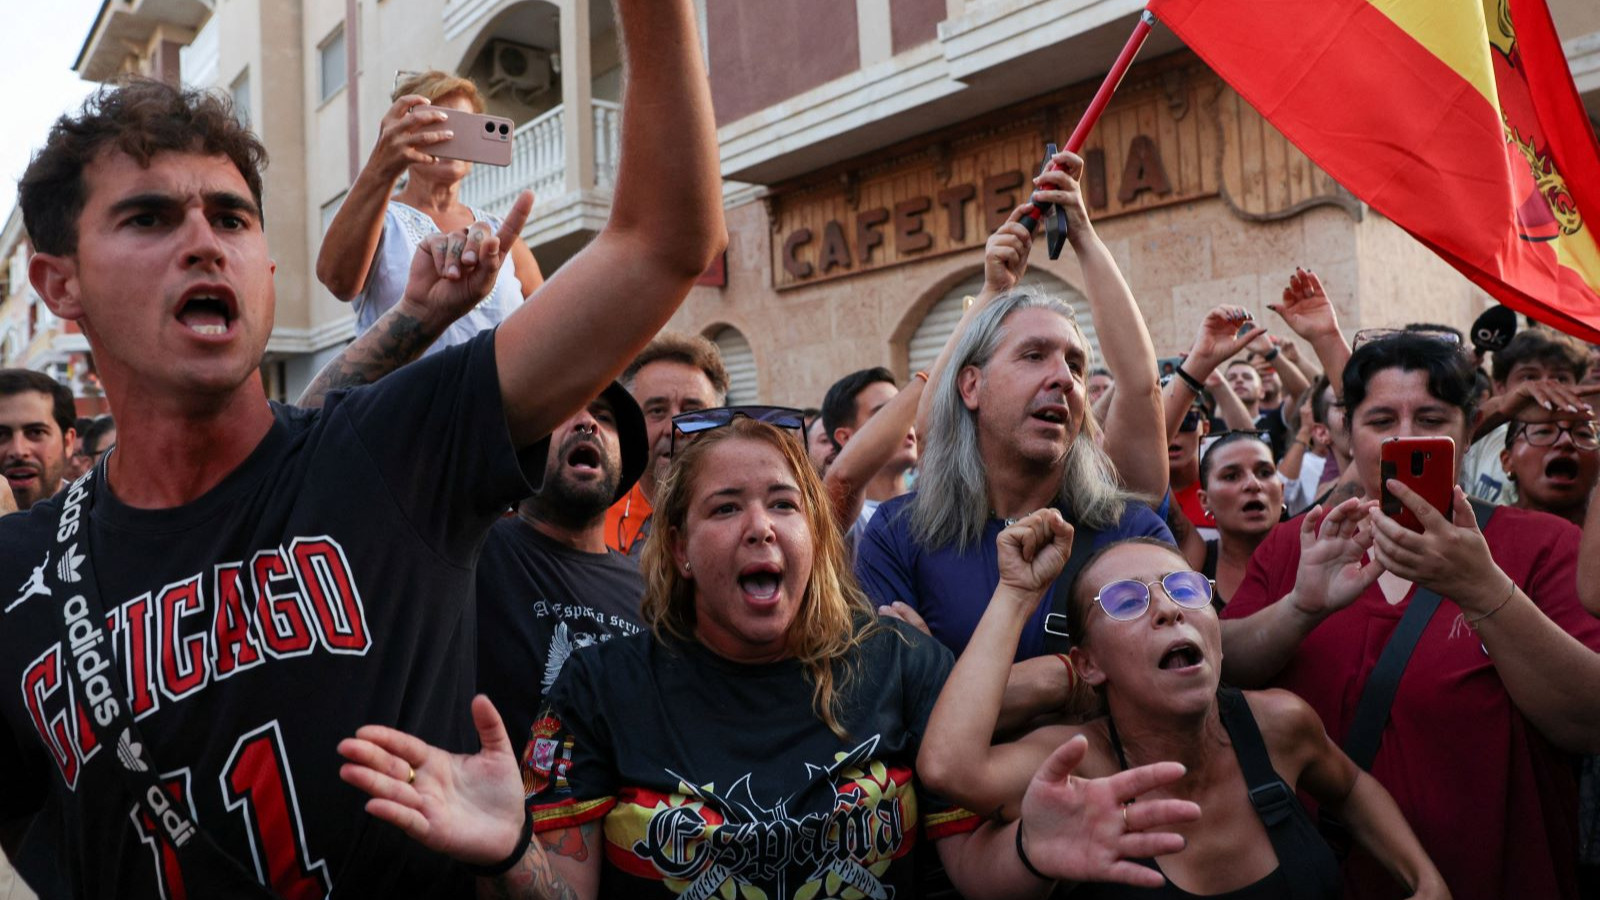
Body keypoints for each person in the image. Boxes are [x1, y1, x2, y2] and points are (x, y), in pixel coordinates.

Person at [1, 1, 724, 893]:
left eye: (232, 219)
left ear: (263, 268)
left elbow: (661, 243)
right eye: (149, 218)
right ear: (56, 280)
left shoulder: (397, 453)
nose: (203, 244)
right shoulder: (18, 571)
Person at [335, 418, 1205, 898]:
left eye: (784, 504)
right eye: (724, 509)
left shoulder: (898, 662)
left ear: (816, 539)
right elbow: (565, 892)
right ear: (676, 550)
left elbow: (971, 866)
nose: (758, 525)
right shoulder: (603, 687)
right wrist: (508, 855)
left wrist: (1029, 853)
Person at [1220, 332, 1600, 900]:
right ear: (1347, 435)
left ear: (1469, 432)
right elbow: (1227, 673)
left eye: (1431, 417)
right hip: (1331, 879)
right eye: (1380, 420)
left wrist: (1484, 590)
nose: (1407, 437)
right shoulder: (1295, 546)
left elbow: (1585, 720)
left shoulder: (1542, 544)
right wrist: (1300, 607)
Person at [919, 527, 1446, 898]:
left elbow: (1351, 788)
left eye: (1185, 588)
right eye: (1126, 601)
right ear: (1089, 664)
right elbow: (949, 767)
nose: (1169, 608)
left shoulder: (1278, 724)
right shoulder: (1078, 765)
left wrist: (1425, 880)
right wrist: (1016, 593)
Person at [858, 153, 1172, 661]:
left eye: (1075, 364)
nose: (1064, 380)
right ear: (971, 388)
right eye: (1032, 356)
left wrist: (1085, 238)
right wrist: (990, 292)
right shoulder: (899, 534)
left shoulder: (1127, 530)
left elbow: (1141, 388)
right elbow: (893, 702)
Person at [316, 70, 543, 354]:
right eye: (439, 124)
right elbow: (338, 281)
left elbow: (546, 327)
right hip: (402, 398)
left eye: (465, 127)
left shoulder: (500, 233)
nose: (451, 137)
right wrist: (381, 165)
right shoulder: (380, 219)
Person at [604, 332, 728, 556]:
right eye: (657, 411)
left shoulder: (751, 523)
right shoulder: (595, 522)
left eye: (692, 412)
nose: (676, 428)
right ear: (629, 424)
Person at [1460, 328, 1595, 506]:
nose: (1544, 386)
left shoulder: (1590, 444)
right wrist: (1501, 408)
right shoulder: (1482, 438)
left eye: (1560, 378)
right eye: (1529, 377)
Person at [1184, 430, 1284, 604]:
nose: (1253, 484)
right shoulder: (1195, 560)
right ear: (1205, 500)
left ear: (1281, 490)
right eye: (1231, 476)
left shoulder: (1312, 555)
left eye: (1265, 473)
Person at [820, 367, 918, 534]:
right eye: (885, 413)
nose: (903, 421)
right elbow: (844, 478)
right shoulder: (840, 521)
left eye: (902, 411)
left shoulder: (939, 505)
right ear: (846, 438)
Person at [0, 370, 77, 512]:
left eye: (36, 432)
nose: (18, 451)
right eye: (1, 435)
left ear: (68, 442)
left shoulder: (100, 521)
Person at [1499, 418, 1600, 526]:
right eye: (1544, 431)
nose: (1566, 441)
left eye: (1583, 434)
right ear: (1508, 461)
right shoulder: (1484, 530)